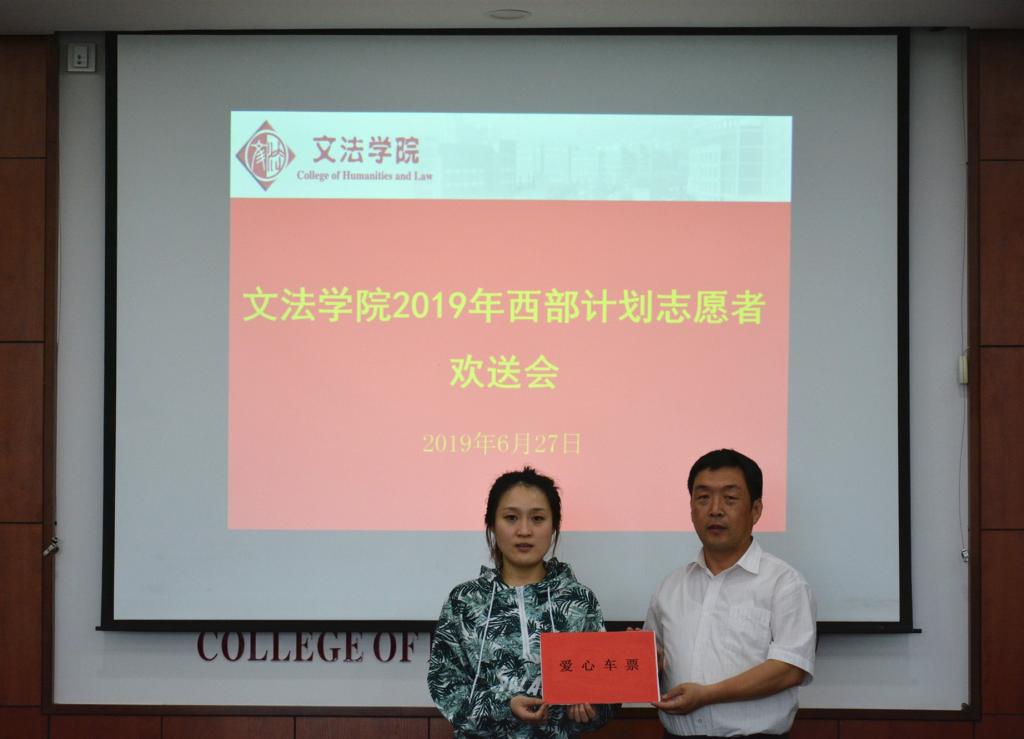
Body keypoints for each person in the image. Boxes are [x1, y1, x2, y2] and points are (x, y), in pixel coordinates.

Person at [428, 466, 613, 738]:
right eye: (511, 518)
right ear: (492, 524)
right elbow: (445, 686)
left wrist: (592, 708)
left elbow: (605, 693)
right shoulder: (464, 601)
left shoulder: (579, 601)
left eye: (537, 518)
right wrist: (505, 706)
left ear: (554, 526)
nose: (524, 530)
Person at [643, 449, 816, 739]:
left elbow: (790, 669)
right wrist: (649, 663)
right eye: (703, 498)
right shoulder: (670, 587)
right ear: (691, 509)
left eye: (730, 498)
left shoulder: (784, 583)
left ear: (756, 510)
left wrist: (707, 695)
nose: (715, 510)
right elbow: (655, 665)